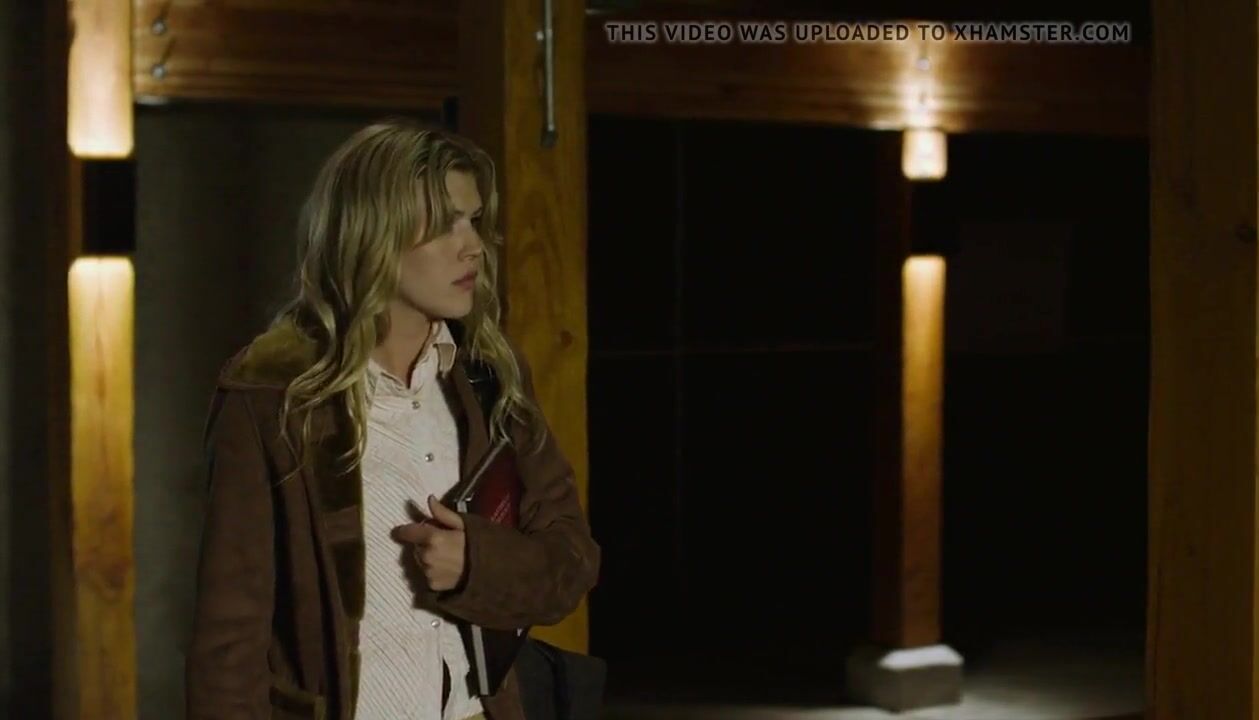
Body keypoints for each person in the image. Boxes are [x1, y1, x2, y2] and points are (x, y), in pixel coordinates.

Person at [185, 119, 600, 720]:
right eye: (446, 225)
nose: (473, 246)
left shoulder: (489, 379)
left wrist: (476, 565)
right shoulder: (271, 395)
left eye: (474, 220)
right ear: (373, 235)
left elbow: (572, 562)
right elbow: (229, 640)